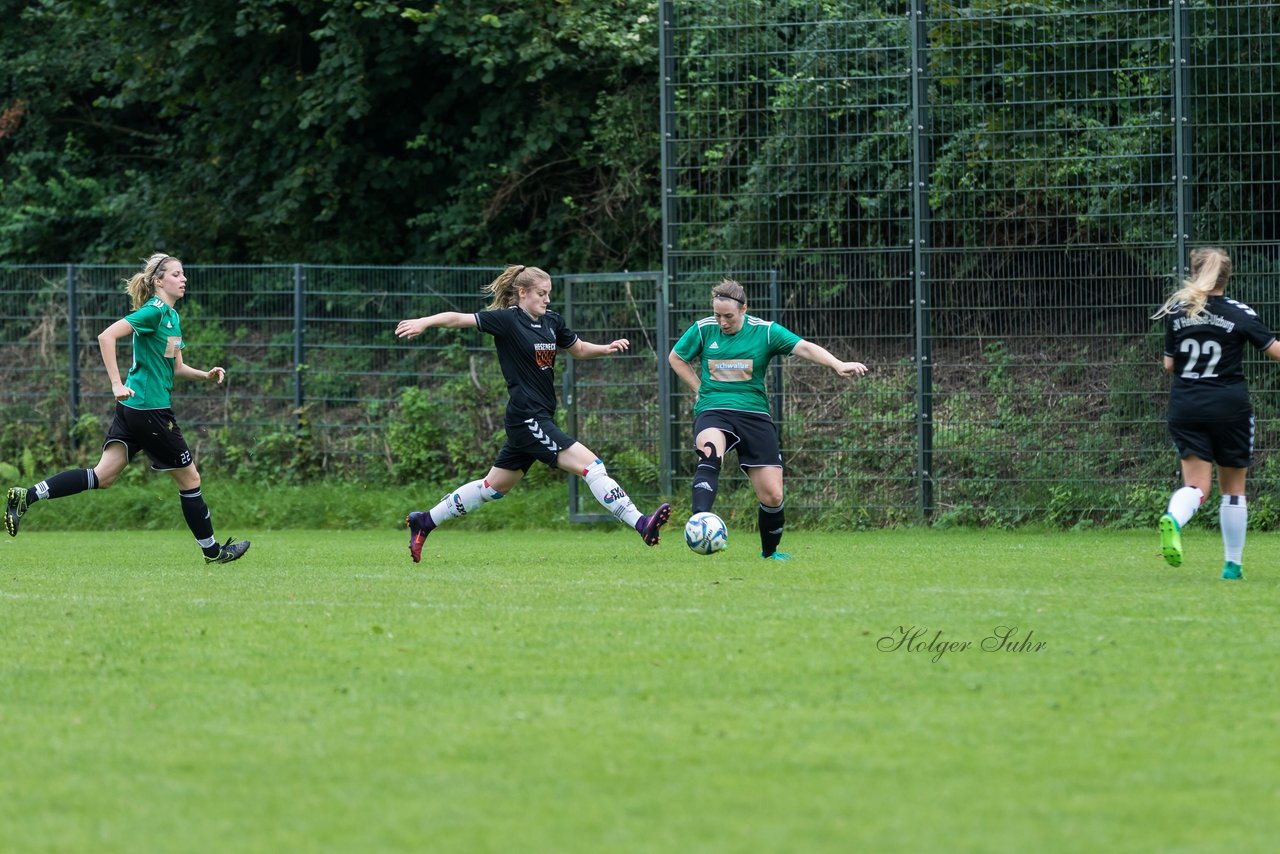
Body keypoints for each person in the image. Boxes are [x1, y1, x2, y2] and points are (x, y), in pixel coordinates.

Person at [394, 264, 671, 563]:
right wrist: (424, 321)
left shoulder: (552, 321)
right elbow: (457, 319)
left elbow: (577, 349)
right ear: (522, 293)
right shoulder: (507, 321)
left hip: (537, 418)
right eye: (541, 293)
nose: (547, 299)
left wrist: (606, 348)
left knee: (492, 487)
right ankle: (641, 523)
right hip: (528, 418)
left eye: (549, 294)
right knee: (593, 467)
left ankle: (425, 521)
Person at [4, 254, 250, 564]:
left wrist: (205, 375)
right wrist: (116, 383)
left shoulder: (171, 317)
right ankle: (213, 553)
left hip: (136, 409)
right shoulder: (154, 311)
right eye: (176, 274)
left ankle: (27, 496)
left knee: (102, 475)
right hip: (149, 410)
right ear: (158, 281)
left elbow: (175, 367)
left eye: (183, 274)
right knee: (190, 480)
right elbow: (106, 336)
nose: (183, 278)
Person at [668, 278, 867, 561]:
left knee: (773, 495)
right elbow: (676, 357)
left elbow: (804, 347)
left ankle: (769, 552)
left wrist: (837, 364)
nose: (722, 322)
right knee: (710, 453)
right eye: (717, 315)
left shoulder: (766, 332)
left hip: (754, 414)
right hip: (714, 409)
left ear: (744, 309)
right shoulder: (703, 329)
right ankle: (701, 520)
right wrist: (700, 389)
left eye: (729, 316)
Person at [1153, 246, 1280, 580]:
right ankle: (1232, 566)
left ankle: (1175, 519)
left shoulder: (1177, 313)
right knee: (1234, 489)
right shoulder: (1239, 313)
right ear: (1228, 276)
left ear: (1196, 274)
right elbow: (1275, 351)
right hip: (1229, 408)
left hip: (1186, 406)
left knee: (1197, 487)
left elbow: (1169, 365)